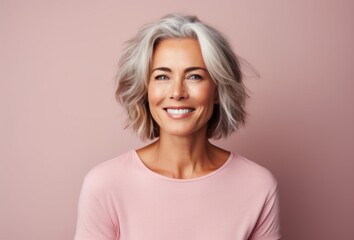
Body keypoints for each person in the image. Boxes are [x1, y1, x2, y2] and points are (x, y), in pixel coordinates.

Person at [74, 14, 281, 240]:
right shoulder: (105, 185)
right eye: (162, 77)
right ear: (145, 90)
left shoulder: (258, 185)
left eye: (194, 76)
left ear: (217, 90)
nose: (177, 92)